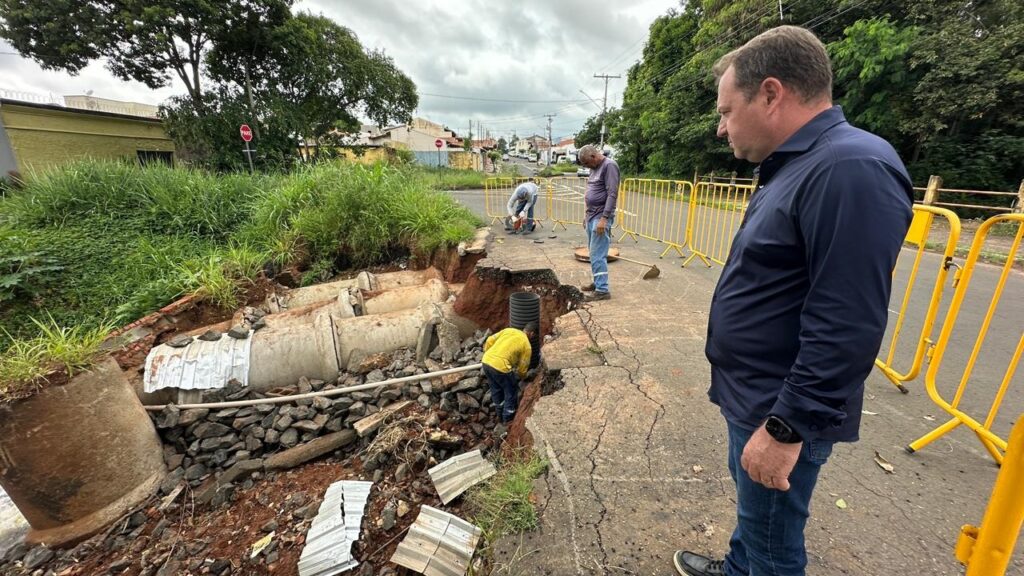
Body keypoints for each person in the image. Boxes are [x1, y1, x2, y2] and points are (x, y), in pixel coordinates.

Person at [673, 26, 913, 576]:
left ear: (772, 94)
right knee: (758, 521)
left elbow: (846, 321)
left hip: (777, 407)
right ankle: (737, 568)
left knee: (775, 545)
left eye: (727, 110)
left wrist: (785, 429)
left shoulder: (849, 169)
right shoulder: (800, 164)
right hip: (756, 395)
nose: (720, 126)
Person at [578, 144, 620, 302]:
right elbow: (590, 192)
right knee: (593, 252)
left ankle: (602, 290)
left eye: (587, 164)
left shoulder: (609, 166)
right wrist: (586, 215)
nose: (587, 167)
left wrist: (604, 218)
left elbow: (612, 194)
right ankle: (598, 282)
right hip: (591, 216)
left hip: (600, 217)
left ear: (593, 157)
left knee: (597, 254)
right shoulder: (594, 167)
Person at [481, 322, 537, 424]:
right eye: (533, 336)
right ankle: (508, 419)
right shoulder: (527, 345)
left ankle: (499, 415)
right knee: (511, 390)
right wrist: (523, 377)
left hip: (486, 361)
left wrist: (488, 353)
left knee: (496, 388)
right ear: (532, 334)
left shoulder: (509, 330)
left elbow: (489, 340)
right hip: (501, 367)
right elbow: (522, 368)